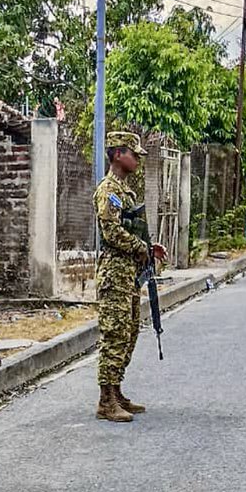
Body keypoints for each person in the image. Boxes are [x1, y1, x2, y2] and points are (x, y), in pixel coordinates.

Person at [93, 132, 167, 423]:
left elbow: (131, 229)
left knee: (129, 333)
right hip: (114, 274)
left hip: (129, 276)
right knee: (115, 335)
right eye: (133, 153)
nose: (137, 158)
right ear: (118, 154)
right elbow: (111, 233)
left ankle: (116, 390)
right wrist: (140, 247)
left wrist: (149, 247)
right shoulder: (108, 190)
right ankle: (105, 400)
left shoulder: (125, 191)